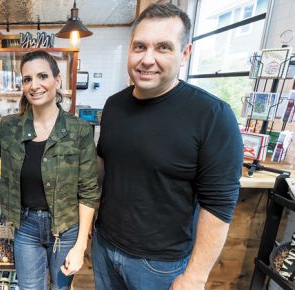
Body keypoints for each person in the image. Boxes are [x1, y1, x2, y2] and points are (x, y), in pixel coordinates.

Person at [93, 3, 243, 290]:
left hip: (160, 265)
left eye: (163, 48)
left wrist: (196, 276)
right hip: (105, 246)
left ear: (185, 53)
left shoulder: (212, 115)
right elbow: (104, 168)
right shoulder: (114, 105)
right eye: (140, 47)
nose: (147, 59)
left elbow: (219, 204)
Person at [0, 50, 99, 290]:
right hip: (26, 226)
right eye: (27, 79)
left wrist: (80, 246)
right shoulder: (10, 127)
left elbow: (88, 191)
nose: (35, 85)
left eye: (42, 76)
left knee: (61, 288)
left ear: (58, 80)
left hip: (65, 227)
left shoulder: (79, 131)